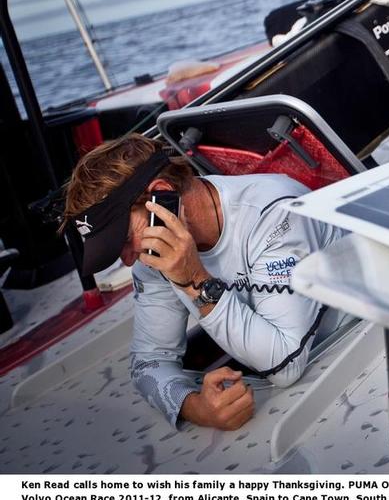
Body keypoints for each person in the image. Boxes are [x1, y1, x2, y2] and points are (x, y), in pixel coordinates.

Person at [61, 134, 344, 431]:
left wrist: (193, 279)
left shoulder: (273, 215)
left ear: (163, 197)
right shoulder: (152, 255)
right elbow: (148, 361)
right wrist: (195, 406)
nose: (129, 260)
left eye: (124, 239)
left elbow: (286, 364)